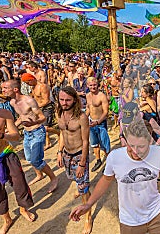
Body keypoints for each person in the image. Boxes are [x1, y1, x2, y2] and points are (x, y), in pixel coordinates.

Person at [69, 119, 160, 233]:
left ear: (150, 141)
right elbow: (106, 180)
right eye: (131, 146)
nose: (135, 152)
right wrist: (89, 204)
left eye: (141, 146)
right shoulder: (115, 157)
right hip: (130, 220)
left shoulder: (159, 153)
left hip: (156, 213)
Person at [3, 79, 58, 193]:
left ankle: (53, 178)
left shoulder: (29, 100)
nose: (2, 90)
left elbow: (42, 117)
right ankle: (39, 175)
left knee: (36, 160)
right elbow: (21, 117)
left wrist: (33, 123)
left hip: (37, 131)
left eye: (5, 88)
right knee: (29, 159)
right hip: (27, 134)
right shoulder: (13, 102)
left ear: (15, 89)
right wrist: (12, 128)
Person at [54, 87, 93, 234]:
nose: (64, 103)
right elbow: (62, 134)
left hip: (78, 154)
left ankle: (88, 217)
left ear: (75, 100)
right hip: (66, 154)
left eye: (68, 100)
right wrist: (59, 152)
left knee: (83, 188)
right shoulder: (59, 113)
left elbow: (85, 142)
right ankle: (80, 186)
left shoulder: (81, 117)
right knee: (73, 178)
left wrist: (82, 163)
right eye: (62, 99)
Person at [0, 107, 35, 234]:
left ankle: (23, 209)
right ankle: (7, 219)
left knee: (20, 184)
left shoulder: (4, 114)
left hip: (6, 154)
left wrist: (3, 135)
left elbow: (16, 136)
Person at [22, 73, 60, 150]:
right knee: (41, 126)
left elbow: (46, 100)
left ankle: (58, 132)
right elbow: (33, 98)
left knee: (45, 127)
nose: (28, 84)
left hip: (47, 107)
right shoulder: (33, 87)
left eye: (28, 82)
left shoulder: (43, 86)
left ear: (32, 79)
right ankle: (48, 142)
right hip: (38, 108)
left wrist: (34, 107)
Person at [85, 77, 110, 172]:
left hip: (100, 123)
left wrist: (98, 122)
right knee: (94, 144)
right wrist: (84, 118)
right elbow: (88, 108)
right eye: (91, 85)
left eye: (94, 85)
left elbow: (105, 112)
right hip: (91, 123)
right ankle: (98, 160)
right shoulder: (87, 96)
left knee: (104, 144)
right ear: (87, 85)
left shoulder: (101, 96)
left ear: (97, 84)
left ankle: (109, 163)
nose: (93, 87)